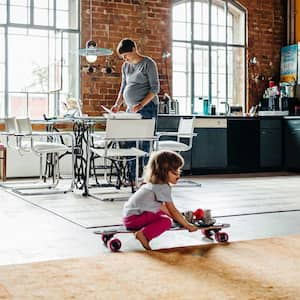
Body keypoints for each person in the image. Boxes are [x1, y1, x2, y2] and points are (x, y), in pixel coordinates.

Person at [122, 150, 198, 250]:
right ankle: (144, 235)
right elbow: (172, 210)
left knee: (164, 214)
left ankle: (144, 233)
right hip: (135, 219)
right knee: (166, 221)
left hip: (129, 218)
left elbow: (162, 208)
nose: (178, 175)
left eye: (179, 171)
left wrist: (180, 219)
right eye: (175, 172)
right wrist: (187, 225)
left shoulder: (152, 184)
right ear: (164, 171)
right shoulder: (162, 187)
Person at [111, 39, 160, 185]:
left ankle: (145, 178)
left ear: (134, 49)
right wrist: (117, 105)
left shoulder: (148, 64)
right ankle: (132, 178)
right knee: (129, 142)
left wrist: (141, 104)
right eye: (123, 57)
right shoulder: (126, 66)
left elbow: (155, 89)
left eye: (126, 55)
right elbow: (123, 88)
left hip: (147, 107)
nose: (125, 59)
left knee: (144, 143)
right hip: (130, 109)